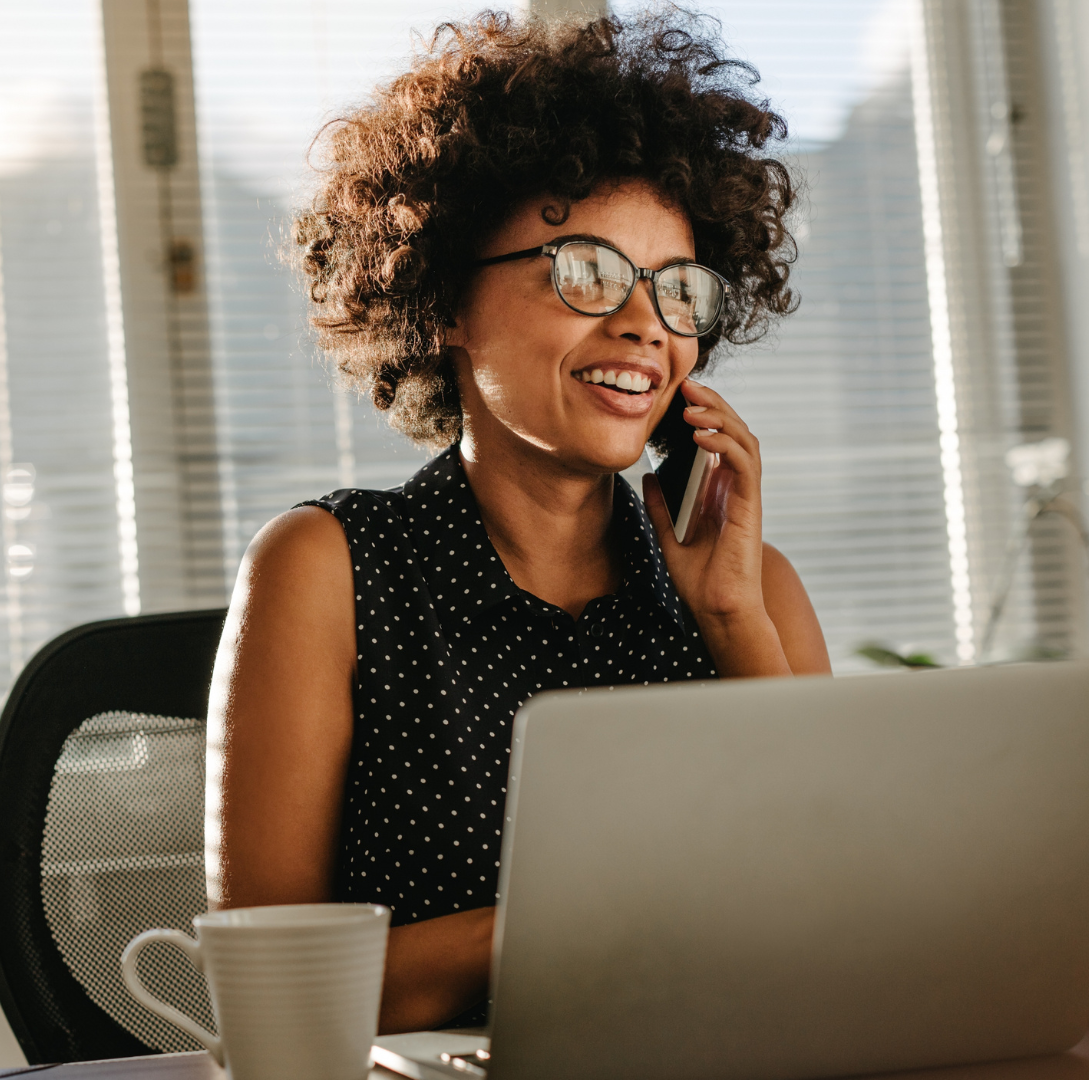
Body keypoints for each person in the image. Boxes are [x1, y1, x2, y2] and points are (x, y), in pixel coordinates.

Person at [204, 9, 829, 1034]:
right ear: (444, 299)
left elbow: (842, 929)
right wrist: (592, 917)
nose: (643, 324)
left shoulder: (751, 591)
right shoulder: (327, 570)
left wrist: (732, 623)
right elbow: (271, 998)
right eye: (584, 271)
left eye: (680, 291)